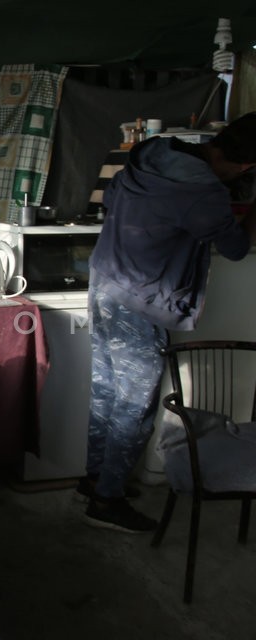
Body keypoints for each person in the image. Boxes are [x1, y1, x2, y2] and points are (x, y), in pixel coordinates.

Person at [82, 112, 256, 532]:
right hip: (141, 301)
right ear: (246, 166)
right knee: (135, 407)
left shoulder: (151, 155)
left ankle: (96, 481)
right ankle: (107, 501)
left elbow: (109, 203)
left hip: (105, 283)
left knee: (106, 392)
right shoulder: (204, 191)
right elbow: (234, 247)